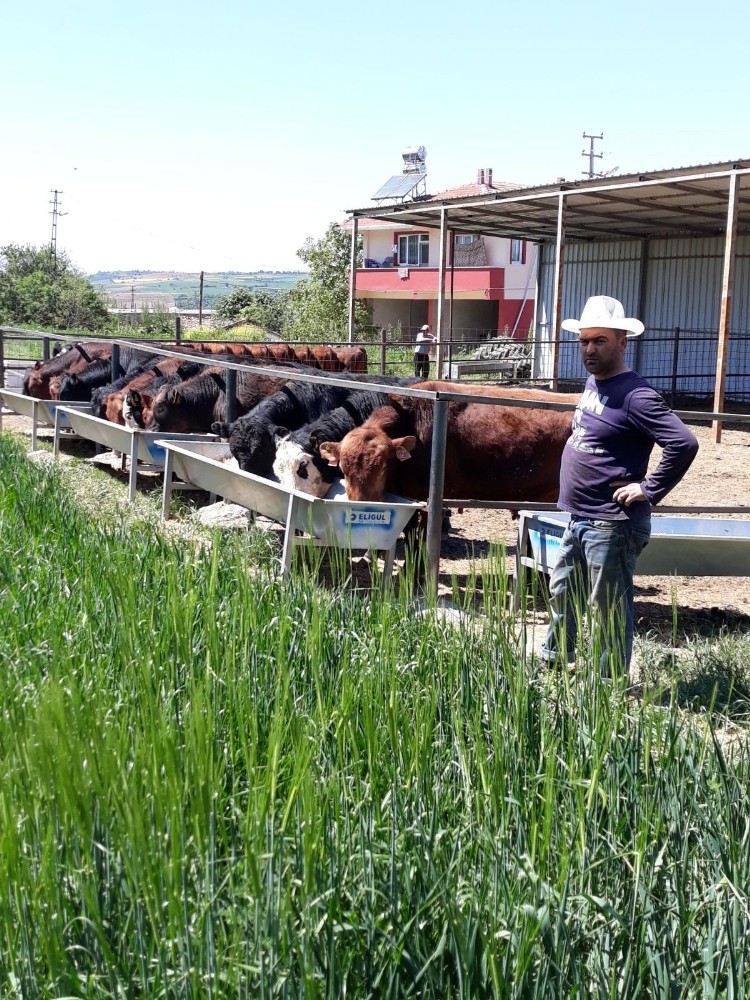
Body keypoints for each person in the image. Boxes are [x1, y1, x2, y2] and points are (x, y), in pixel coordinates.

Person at [541, 295, 699, 678]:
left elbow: (684, 442)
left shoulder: (637, 396)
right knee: (564, 593)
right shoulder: (595, 384)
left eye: (600, 341)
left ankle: (606, 687)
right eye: (584, 341)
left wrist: (649, 488)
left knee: (607, 607)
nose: (590, 349)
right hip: (581, 517)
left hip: (611, 524)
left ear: (623, 342)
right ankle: (555, 664)